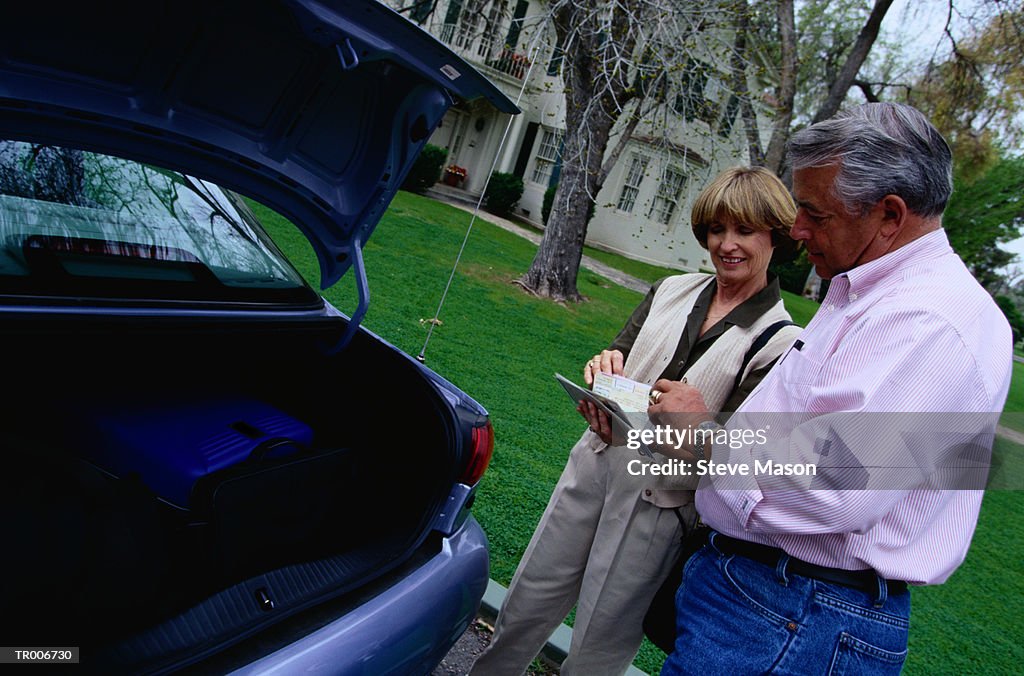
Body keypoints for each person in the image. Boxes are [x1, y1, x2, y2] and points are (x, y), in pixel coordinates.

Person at [650, 102, 1013, 674]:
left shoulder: (928, 319)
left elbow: (837, 479)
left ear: (889, 215)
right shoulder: (874, 296)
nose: (796, 231)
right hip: (781, 600)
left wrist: (704, 439)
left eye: (815, 215)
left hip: (795, 606)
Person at [469, 166, 803, 676]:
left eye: (744, 231)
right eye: (716, 229)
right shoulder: (670, 290)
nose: (726, 244)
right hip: (594, 468)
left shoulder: (779, 341)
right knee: (525, 605)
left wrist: (691, 423)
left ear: (775, 236)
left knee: (599, 650)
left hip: (658, 506)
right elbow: (618, 358)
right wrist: (600, 375)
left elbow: (734, 452)